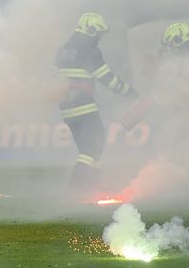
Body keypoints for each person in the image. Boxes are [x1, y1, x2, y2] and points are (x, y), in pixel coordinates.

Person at [54, 12, 140, 196]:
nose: (99, 39)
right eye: (99, 34)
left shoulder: (63, 49)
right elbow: (106, 78)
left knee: (89, 147)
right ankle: (77, 184)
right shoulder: (89, 50)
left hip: (67, 107)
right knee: (95, 141)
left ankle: (92, 184)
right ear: (91, 31)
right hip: (83, 103)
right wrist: (128, 92)